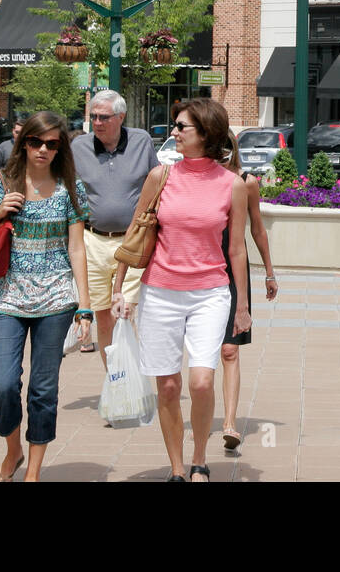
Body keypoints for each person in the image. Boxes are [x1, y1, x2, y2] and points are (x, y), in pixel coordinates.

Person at [111, 98, 250, 481]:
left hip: (211, 293)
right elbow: (136, 229)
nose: (173, 132)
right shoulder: (161, 177)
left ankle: (200, 458)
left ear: (205, 134)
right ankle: (177, 468)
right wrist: (119, 286)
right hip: (160, 293)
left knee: (201, 380)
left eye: (181, 127)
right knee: (169, 387)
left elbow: (237, 248)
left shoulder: (232, 185)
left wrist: (243, 307)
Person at [0, 111, 93, 482]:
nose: (43, 150)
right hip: (6, 294)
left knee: (43, 388)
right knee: (3, 384)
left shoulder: (71, 189)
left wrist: (84, 307)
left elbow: (77, 250)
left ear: (60, 149)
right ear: (23, 143)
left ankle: (33, 473)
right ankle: (13, 450)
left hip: (55, 298)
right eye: (36, 142)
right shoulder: (0, 183)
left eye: (52, 144)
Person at [71, 90, 159, 358]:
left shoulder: (141, 141)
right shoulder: (79, 147)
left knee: (126, 309)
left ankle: (136, 377)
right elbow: (68, 190)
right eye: (93, 116)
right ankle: (115, 382)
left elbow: (155, 183)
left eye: (104, 117)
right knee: (103, 314)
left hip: (132, 240)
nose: (97, 122)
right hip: (92, 240)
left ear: (121, 117)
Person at [219, 132, 277, 450]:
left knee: (230, 349)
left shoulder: (246, 181)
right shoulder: (197, 180)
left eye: (226, 146)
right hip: (198, 270)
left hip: (232, 271)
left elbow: (256, 228)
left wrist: (269, 272)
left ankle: (230, 422)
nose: (222, 152)